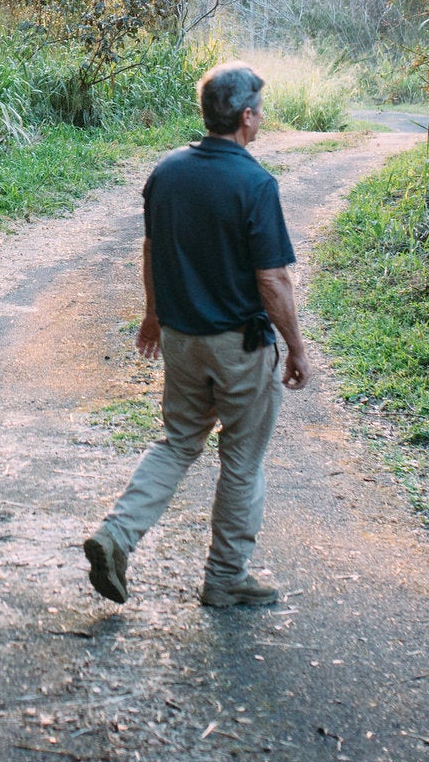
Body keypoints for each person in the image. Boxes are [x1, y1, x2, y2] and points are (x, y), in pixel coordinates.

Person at [83, 61, 308, 608]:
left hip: (182, 341)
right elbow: (272, 279)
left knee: (179, 442)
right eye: (260, 109)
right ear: (247, 116)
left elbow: (153, 250)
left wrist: (154, 315)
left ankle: (116, 536)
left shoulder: (167, 172)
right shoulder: (255, 182)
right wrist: (297, 347)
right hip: (240, 347)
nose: (262, 118)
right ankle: (225, 578)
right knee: (241, 460)